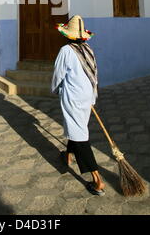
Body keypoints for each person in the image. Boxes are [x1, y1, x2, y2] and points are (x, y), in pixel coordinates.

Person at [51, 15, 105, 196]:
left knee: (80, 134)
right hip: (88, 95)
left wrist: (55, 89)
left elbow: (58, 75)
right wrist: (93, 96)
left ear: (68, 35)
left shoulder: (66, 50)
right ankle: (68, 155)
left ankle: (97, 180)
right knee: (77, 127)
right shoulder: (88, 49)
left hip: (73, 97)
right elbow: (94, 72)